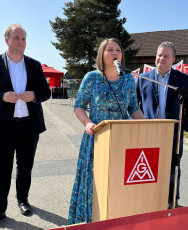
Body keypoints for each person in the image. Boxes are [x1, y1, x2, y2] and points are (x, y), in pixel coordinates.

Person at [67, 38, 145, 224]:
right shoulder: (91, 78)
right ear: (102, 54)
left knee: (118, 183)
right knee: (95, 184)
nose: (115, 53)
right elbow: (79, 106)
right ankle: (90, 221)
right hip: (97, 138)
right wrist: (87, 122)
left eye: (118, 50)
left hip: (122, 140)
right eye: (110, 50)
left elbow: (133, 107)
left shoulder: (128, 79)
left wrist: (146, 125)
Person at [135, 41, 188, 208]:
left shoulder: (183, 79)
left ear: (173, 59)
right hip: (148, 132)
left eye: (166, 56)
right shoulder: (143, 78)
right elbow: (133, 104)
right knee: (148, 167)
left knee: (172, 168)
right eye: (159, 55)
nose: (161, 58)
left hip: (173, 133)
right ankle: (149, 201)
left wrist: (183, 128)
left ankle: (172, 202)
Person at [0, 24, 51, 220]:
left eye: (23, 38)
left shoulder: (34, 65)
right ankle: (0, 207)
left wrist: (34, 95)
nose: (21, 42)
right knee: (2, 167)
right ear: (7, 40)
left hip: (29, 126)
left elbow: (46, 92)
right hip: (3, 126)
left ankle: (23, 200)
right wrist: (3, 96)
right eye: (16, 38)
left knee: (25, 167)